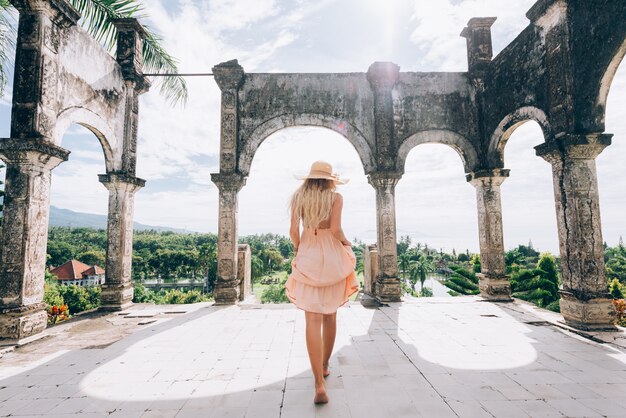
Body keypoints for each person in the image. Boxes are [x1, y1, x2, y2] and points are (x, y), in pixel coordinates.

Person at [285, 160, 359, 404]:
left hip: (309, 253)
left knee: (311, 318)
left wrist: (299, 249)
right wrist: (346, 243)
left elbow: (293, 231)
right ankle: (325, 365)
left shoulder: (299, 197)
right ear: (329, 179)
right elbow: (336, 229)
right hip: (332, 255)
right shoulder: (335, 198)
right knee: (330, 315)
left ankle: (318, 383)